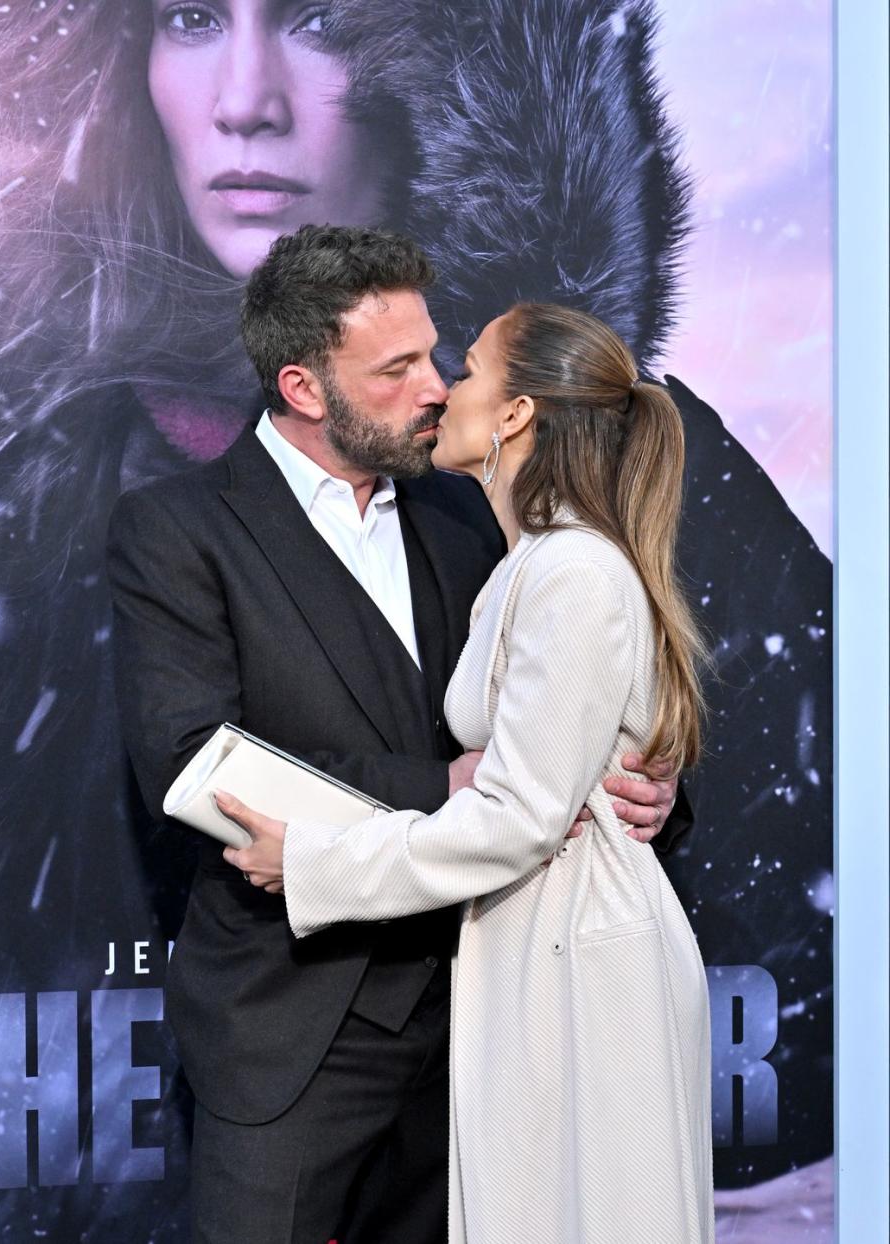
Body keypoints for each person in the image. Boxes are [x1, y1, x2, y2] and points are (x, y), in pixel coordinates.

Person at [107, 225, 687, 1244]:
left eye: (438, 355)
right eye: (399, 367)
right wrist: (454, 783)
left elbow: (560, 716)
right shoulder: (179, 528)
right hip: (294, 1022)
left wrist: (634, 777)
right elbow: (194, 758)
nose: (434, 385)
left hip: (485, 1011)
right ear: (302, 385)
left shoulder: (473, 525)